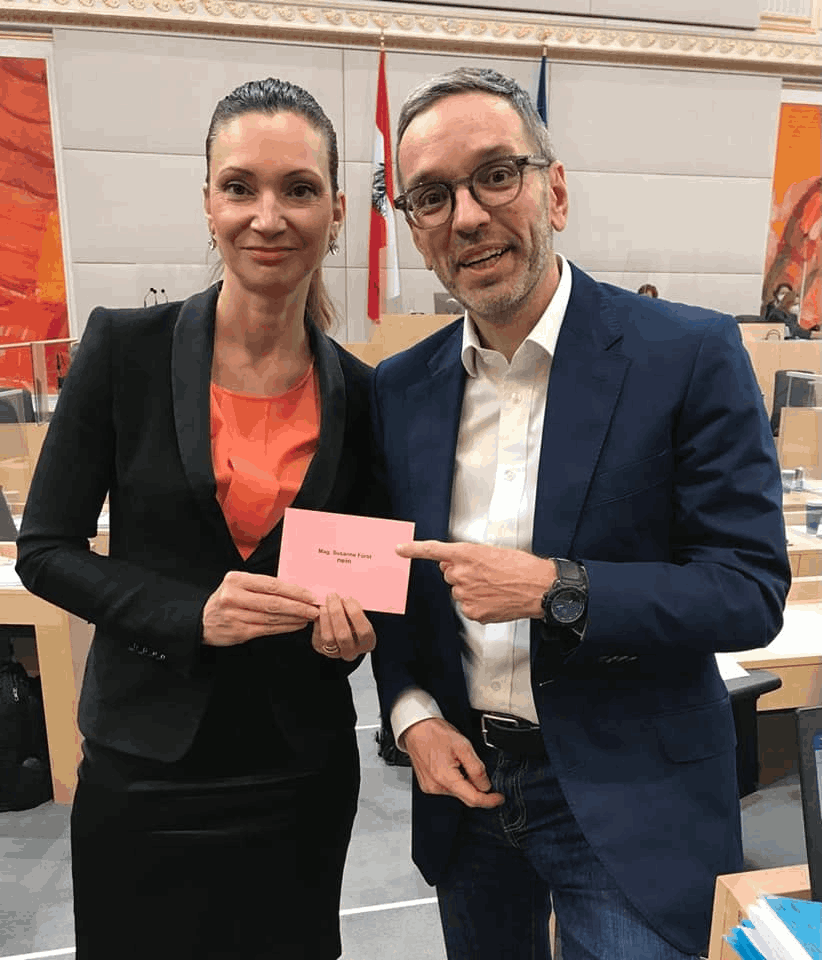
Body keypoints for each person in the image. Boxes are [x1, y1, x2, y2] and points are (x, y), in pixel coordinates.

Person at [370, 67, 790, 960]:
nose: (467, 217)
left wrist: (557, 589)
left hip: (635, 799)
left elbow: (748, 590)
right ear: (413, 226)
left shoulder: (688, 354)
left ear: (554, 189)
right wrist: (412, 715)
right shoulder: (400, 390)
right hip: (468, 793)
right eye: (432, 196)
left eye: (496, 175)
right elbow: (395, 592)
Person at [16, 77, 379, 960]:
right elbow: (46, 549)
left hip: (299, 769)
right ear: (208, 202)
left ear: (336, 211)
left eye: (298, 189)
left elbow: (365, 574)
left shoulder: (366, 394)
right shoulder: (123, 350)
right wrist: (190, 615)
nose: (268, 217)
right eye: (240, 186)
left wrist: (355, 634)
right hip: (145, 765)